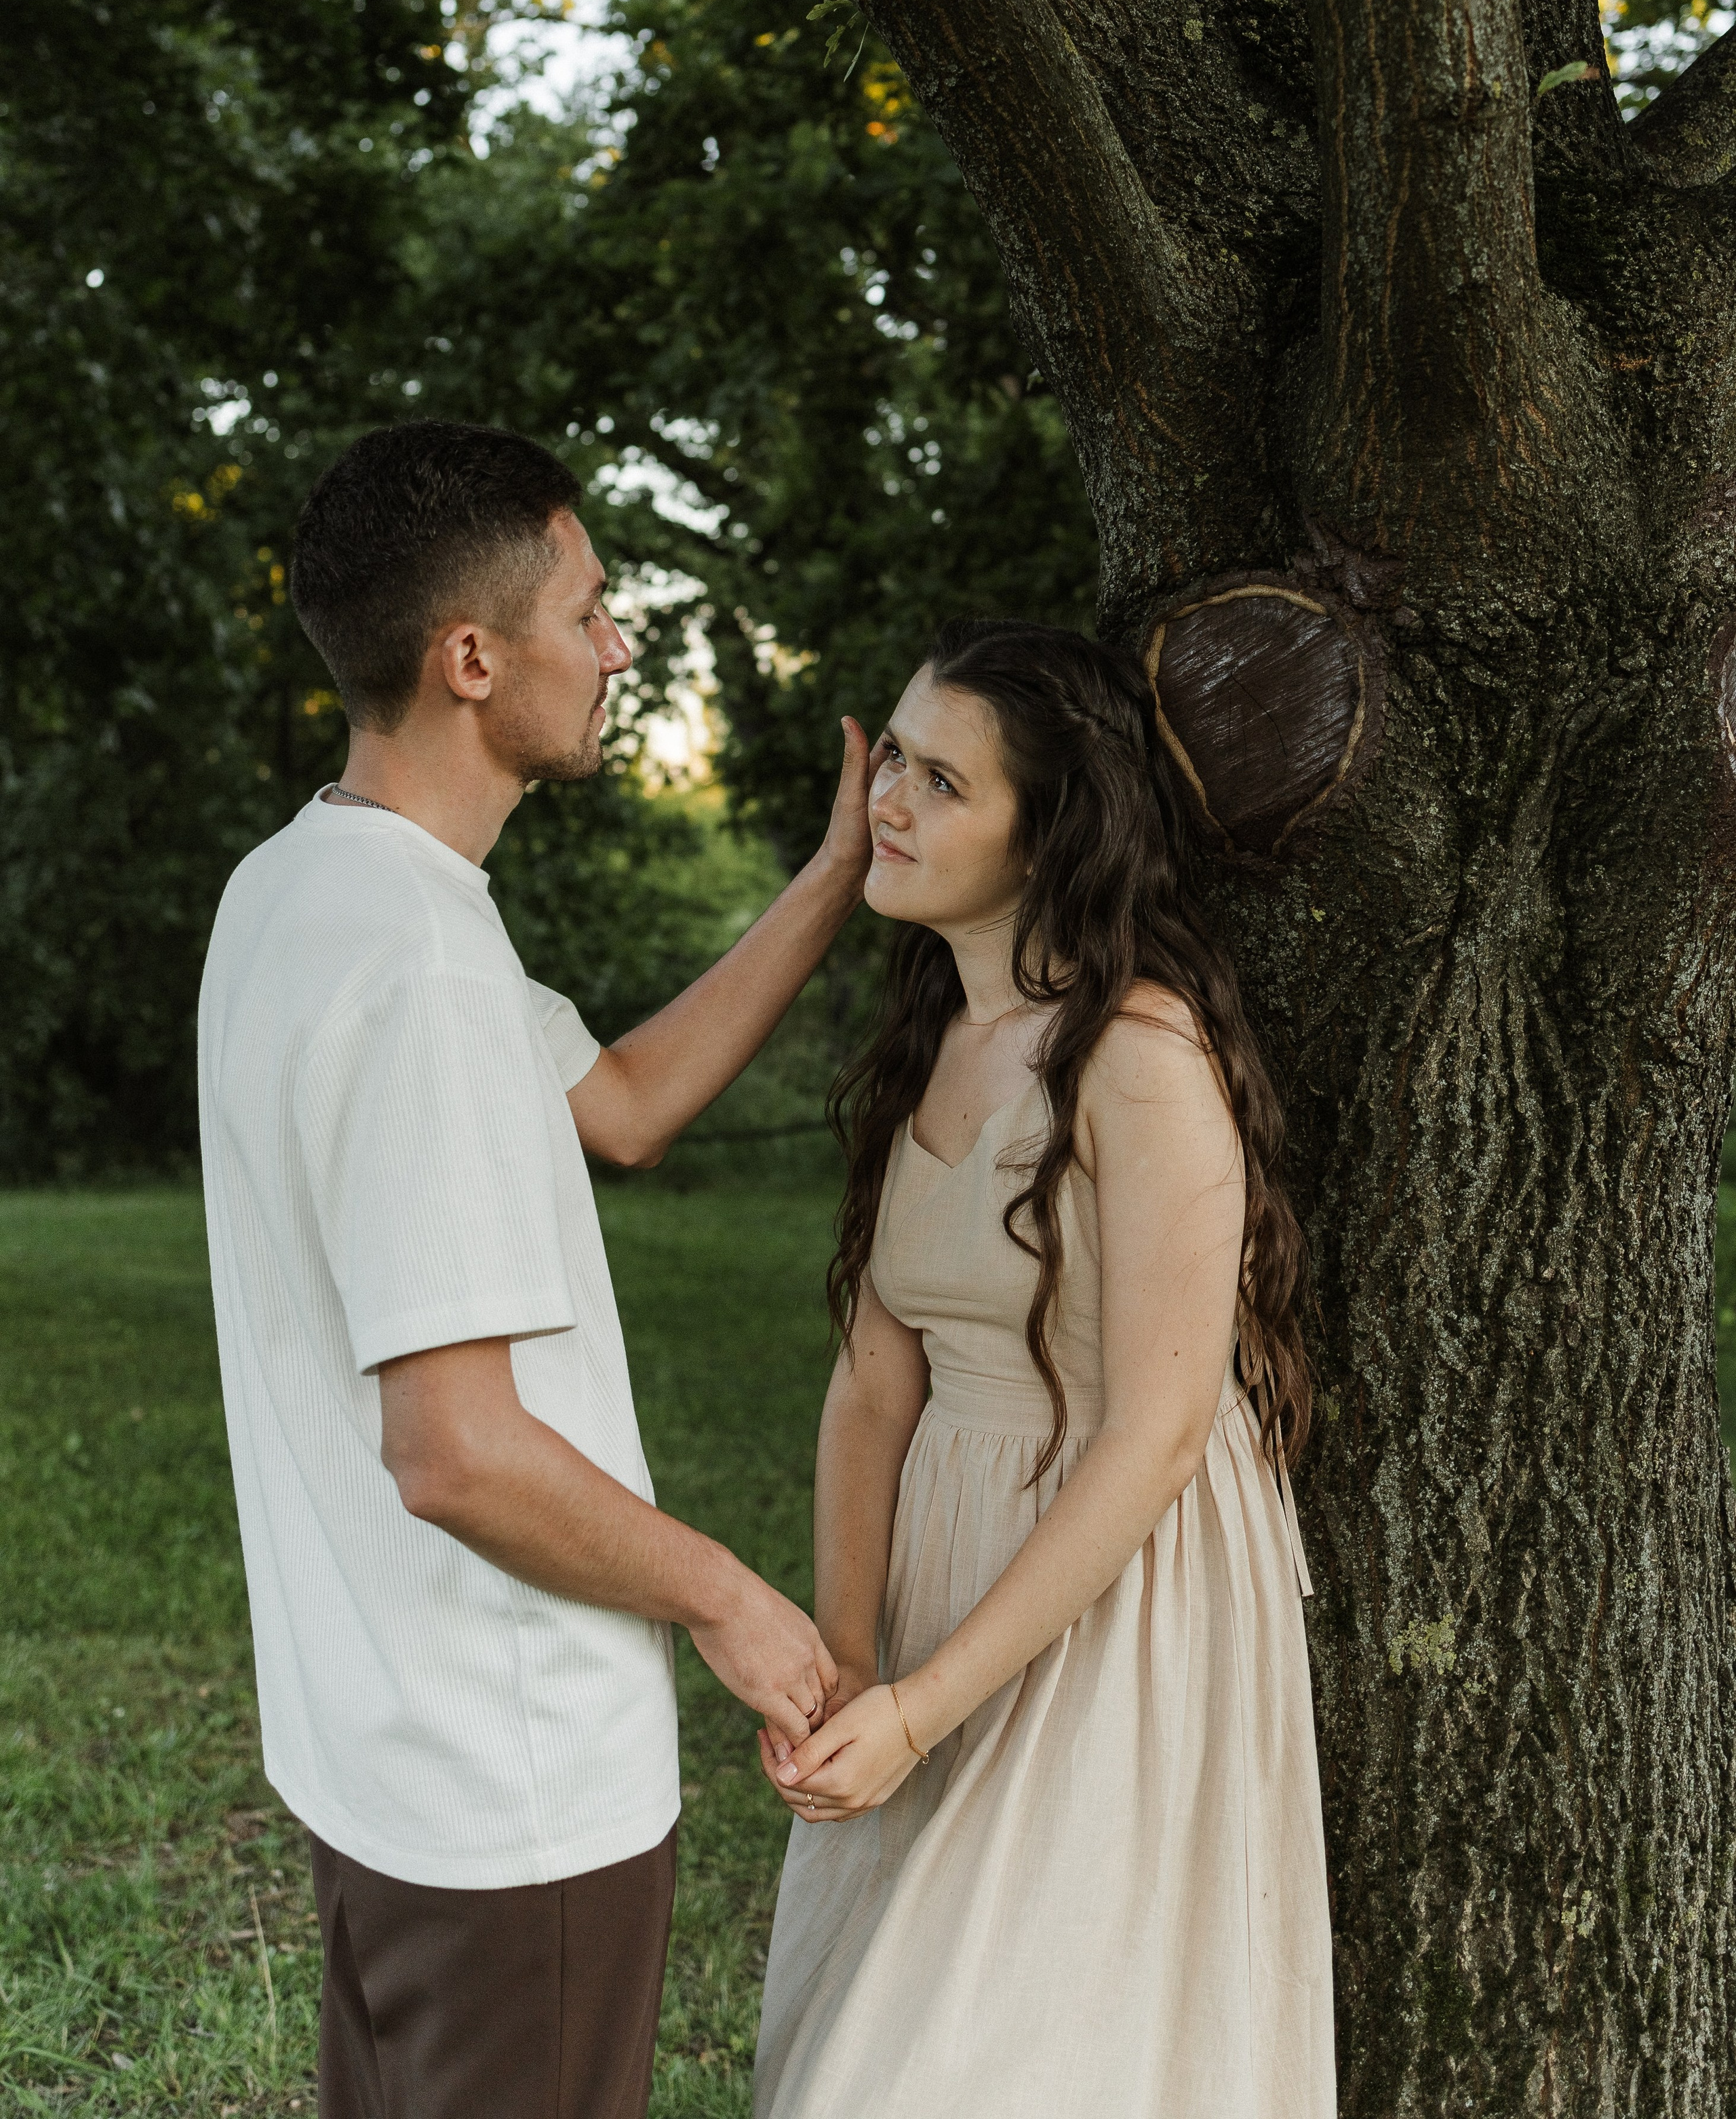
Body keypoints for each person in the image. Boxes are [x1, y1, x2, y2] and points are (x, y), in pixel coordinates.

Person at [197, 420, 874, 2119]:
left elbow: (625, 1103)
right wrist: (732, 1598)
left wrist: (832, 876)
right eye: (590, 606)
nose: (617, 642)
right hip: (505, 1795)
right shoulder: (413, 955)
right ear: (472, 656)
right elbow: (457, 1449)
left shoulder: (303, 887)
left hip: (379, 1765)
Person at [752, 620, 1335, 2119]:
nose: (886, 797)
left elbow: (1156, 1430)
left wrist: (927, 1703)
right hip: (939, 1567)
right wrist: (847, 1667)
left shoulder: (1138, 1051)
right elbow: (872, 1383)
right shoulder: (933, 1034)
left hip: (1113, 1585)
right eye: (892, 756)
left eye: (941, 780)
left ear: (1046, 831)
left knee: (975, 2067)